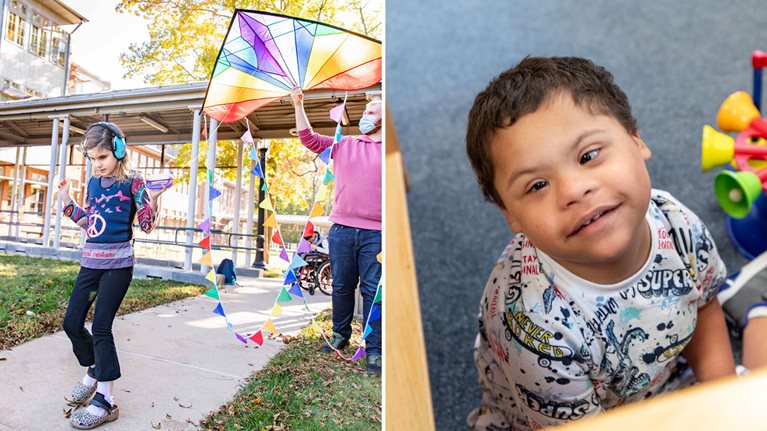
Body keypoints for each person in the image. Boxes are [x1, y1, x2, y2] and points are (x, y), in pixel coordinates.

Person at [463, 57, 767, 430]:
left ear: (636, 140)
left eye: (588, 156)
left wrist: (725, 403)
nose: (574, 190)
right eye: (537, 185)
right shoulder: (533, 326)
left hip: (663, 380)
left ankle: (752, 307)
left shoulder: (676, 222)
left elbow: (702, 308)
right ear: (511, 215)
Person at [57, 122, 168, 429]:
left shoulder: (134, 182)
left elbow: (145, 225)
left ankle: (106, 400)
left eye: (103, 157)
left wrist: (154, 198)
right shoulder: (94, 183)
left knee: (102, 326)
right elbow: (90, 222)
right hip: (90, 263)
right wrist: (67, 201)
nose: (98, 164)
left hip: (118, 266)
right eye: (92, 158)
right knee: (71, 322)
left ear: (119, 151)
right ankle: (94, 368)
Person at [290, 87, 383, 375]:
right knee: (341, 286)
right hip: (342, 230)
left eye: (371, 112)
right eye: (366, 111)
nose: (365, 116)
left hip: (377, 234)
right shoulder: (345, 145)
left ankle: (375, 350)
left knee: (373, 291)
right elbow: (308, 138)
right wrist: (297, 103)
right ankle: (340, 335)